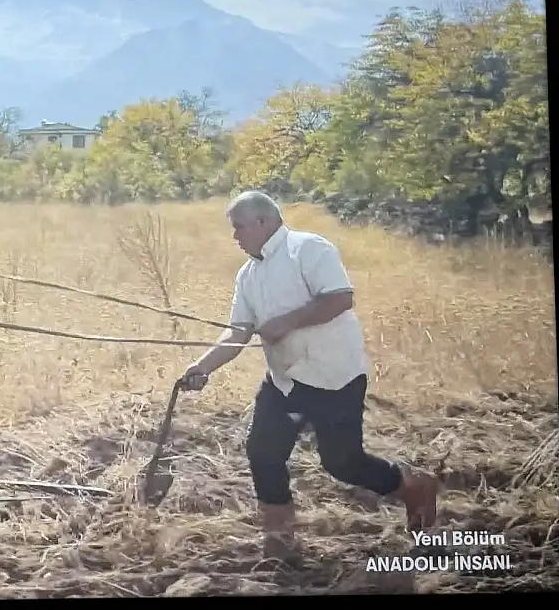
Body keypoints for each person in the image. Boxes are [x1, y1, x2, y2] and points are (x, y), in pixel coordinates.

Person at [179, 190, 438, 558]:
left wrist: (288, 321)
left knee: (342, 464)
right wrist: (202, 367)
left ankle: (413, 486)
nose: (234, 236)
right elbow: (238, 331)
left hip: (334, 377)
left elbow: (339, 298)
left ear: (263, 222)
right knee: (263, 452)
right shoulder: (248, 275)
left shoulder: (309, 249)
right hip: (285, 381)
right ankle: (279, 540)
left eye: (238, 228)